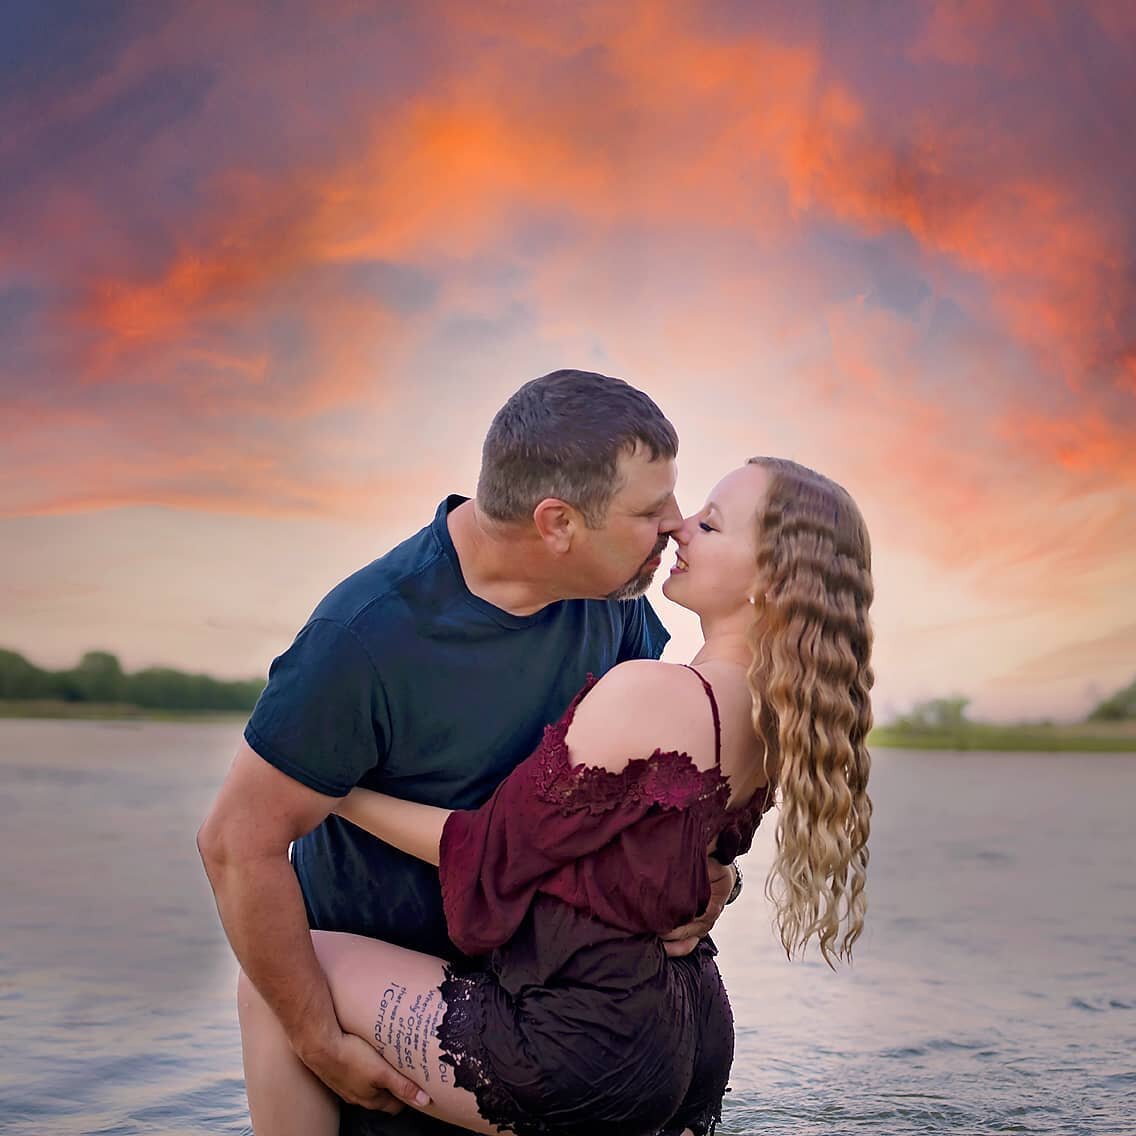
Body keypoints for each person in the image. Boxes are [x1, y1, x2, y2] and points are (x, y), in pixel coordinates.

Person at [233, 456, 875, 1135]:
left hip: (585, 1052)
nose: (680, 528)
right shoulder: (778, 713)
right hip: (692, 1036)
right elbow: (669, 851)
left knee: (277, 980)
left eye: (711, 525)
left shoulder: (650, 694)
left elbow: (485, 857)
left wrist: (327, 785)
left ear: (771, 580)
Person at [198, 370, 742, 1136]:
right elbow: (234, 846)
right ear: (557, 523)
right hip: (387, 1051)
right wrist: (318, 1039)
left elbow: (649, 792)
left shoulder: (612, 605)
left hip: (544, 1021)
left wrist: (714, 873)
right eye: (651, 508)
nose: (675, 525)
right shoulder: (362, 640)